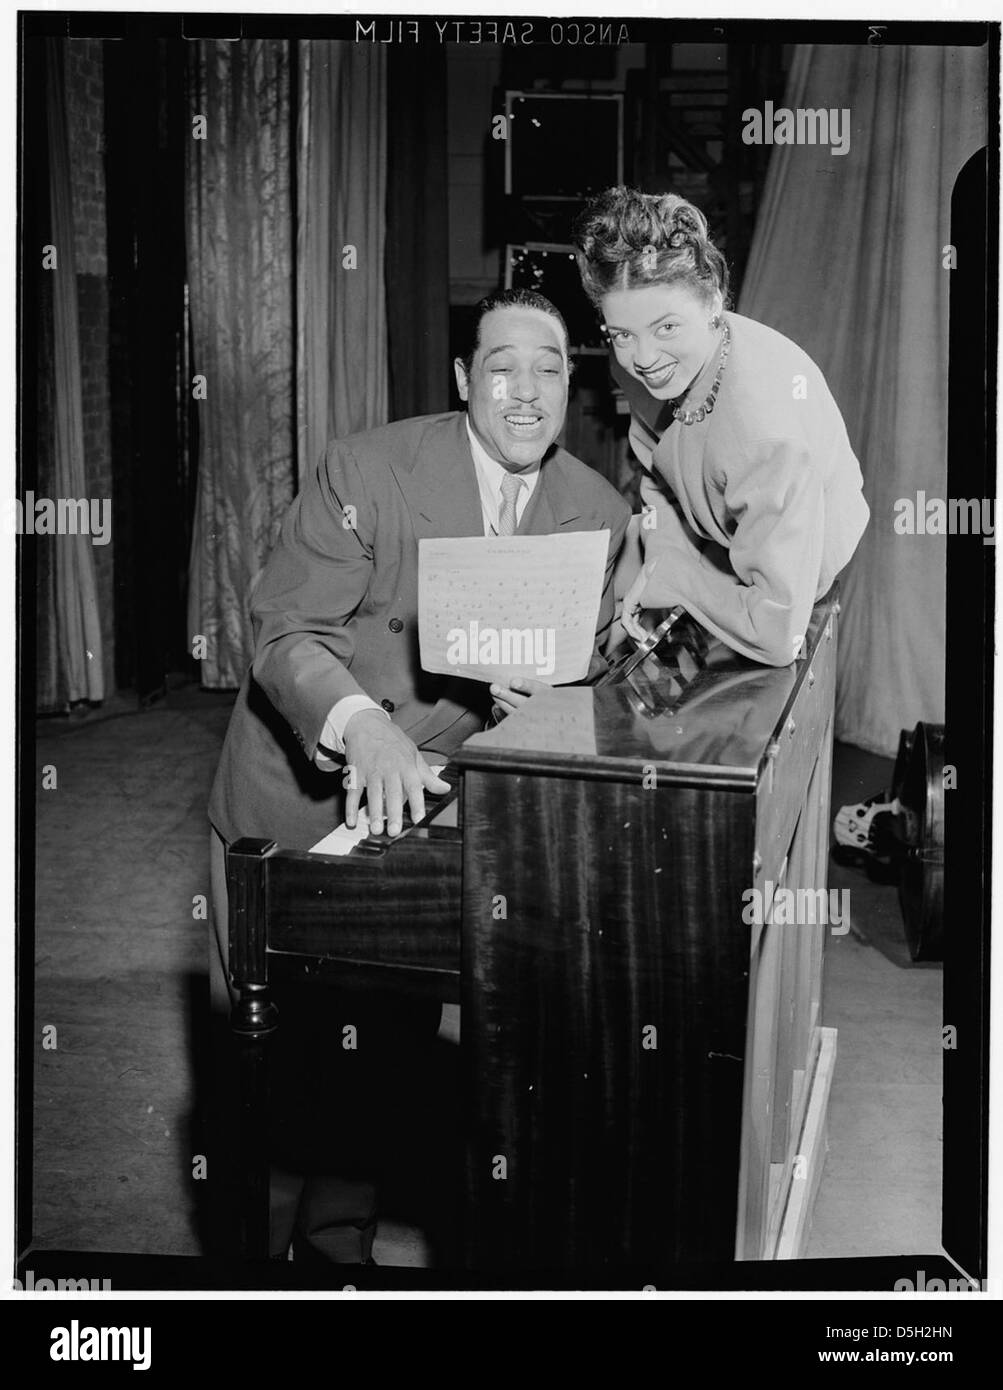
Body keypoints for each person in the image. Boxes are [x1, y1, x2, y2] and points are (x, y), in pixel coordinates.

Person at [206, 287, 631, 1262]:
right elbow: (285, 634)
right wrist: (362, 728)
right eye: (501, 367)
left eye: (550, 369)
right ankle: (242, 1267)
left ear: (574, 383)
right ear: (460, 380)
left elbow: (604, 674)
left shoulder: (597, 513)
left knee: (382, 1055)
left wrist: (560, 702)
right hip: (298, 794)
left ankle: (335, 1246)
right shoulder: (368, 469)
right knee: (268, 1076)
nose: (526, 393)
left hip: (433, 813)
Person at [573, 187, 869, 667]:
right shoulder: (634, 361)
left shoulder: (767, 433)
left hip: (790, 582)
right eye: (622, 334)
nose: (644, 359)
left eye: (667, 327)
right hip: (715, 542)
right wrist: (662, 556)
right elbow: (657, 475)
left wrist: (678, 578)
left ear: (713, 299)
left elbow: (775, 636)